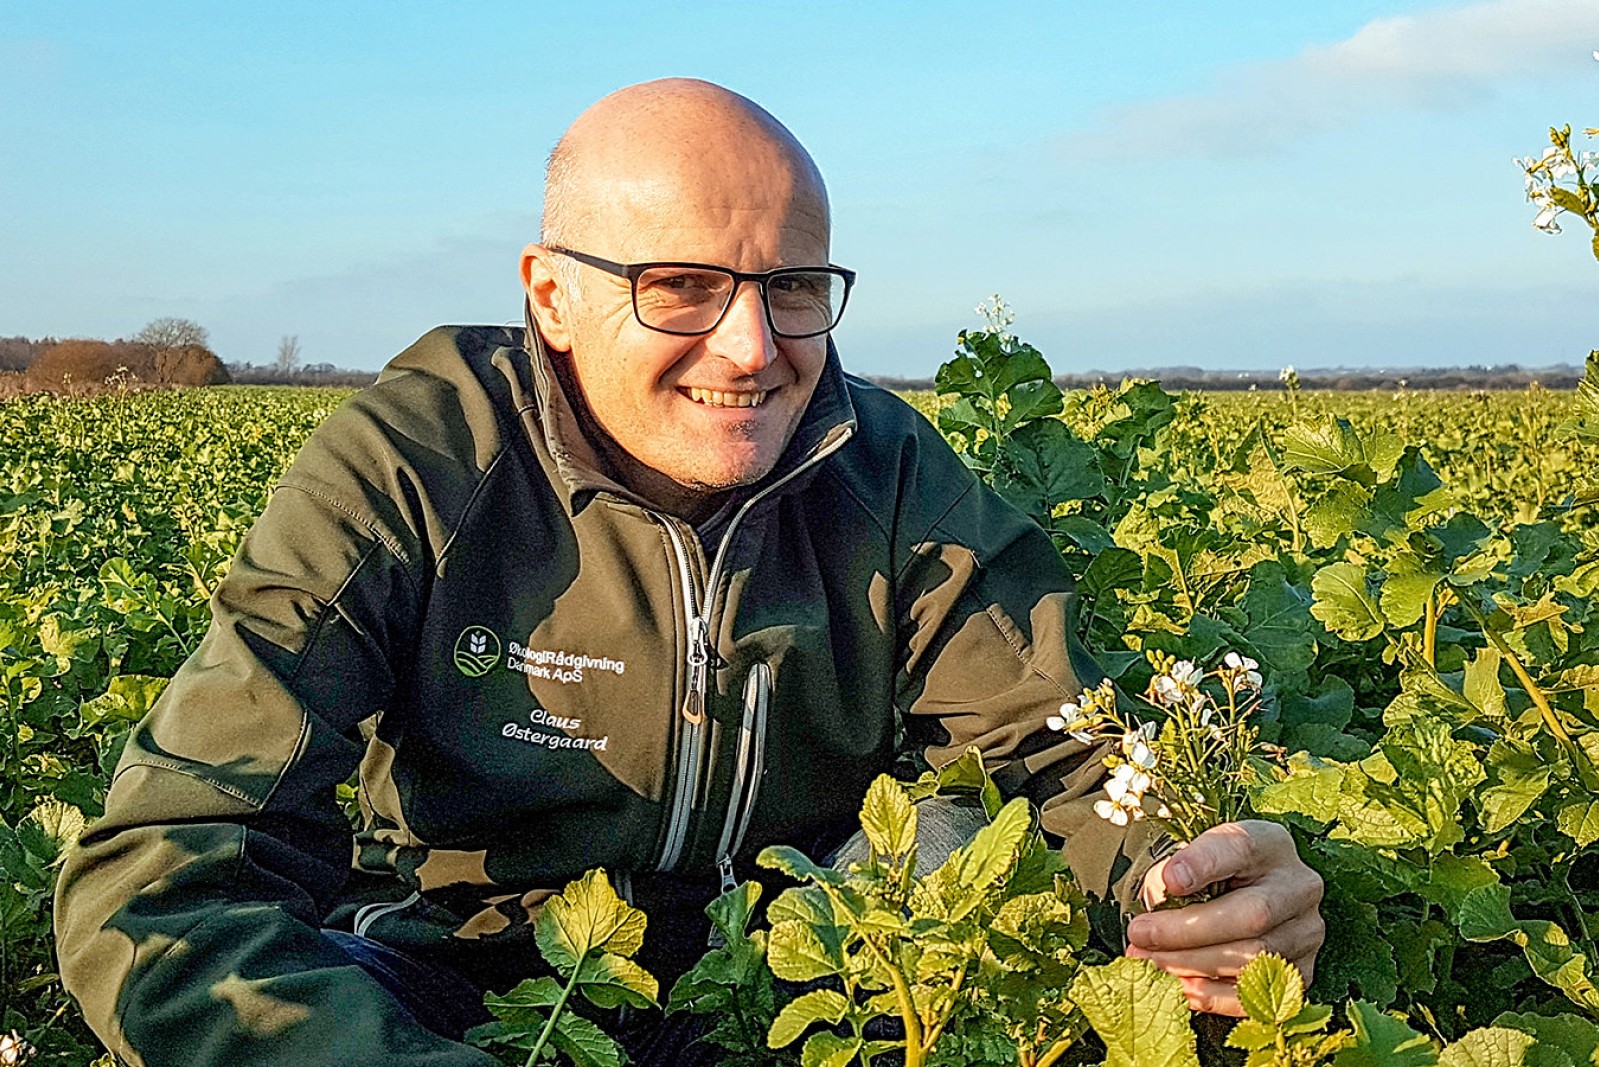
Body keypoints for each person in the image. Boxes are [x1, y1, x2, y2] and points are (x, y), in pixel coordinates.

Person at [54, 79, 1323, 1066]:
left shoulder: (890, 472)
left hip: (803, 984)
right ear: (552, 297)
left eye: (791, 287)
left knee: (997, 893)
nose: (752, 346)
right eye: (681, 286)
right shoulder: (418, 459)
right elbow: (164, 871)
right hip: (464, 988)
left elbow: (1065, 762)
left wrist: (1197, 882)